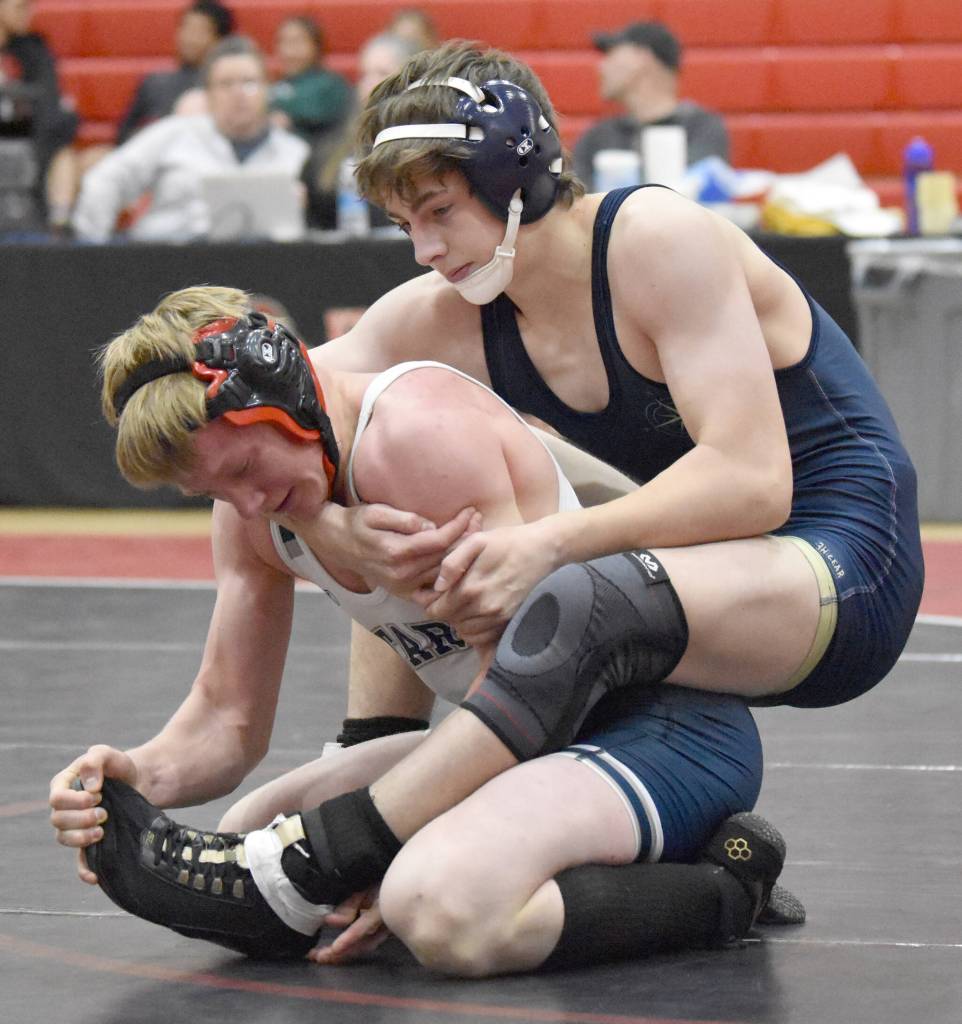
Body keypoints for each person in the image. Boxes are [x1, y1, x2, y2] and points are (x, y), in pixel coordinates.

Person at [49, 285, 786, 975]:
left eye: (244, 466)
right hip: (515, 736)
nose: (248, 503)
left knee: (436, 908)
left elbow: (533, 705)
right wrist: (132, 778)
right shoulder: (259, 517)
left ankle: (728, 885)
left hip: (658, 728)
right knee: (250, 830)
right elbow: (227, 719)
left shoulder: (414, 435)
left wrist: (387, 843)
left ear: (277, 399)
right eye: (215, 491)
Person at [71, 36, 308, 243]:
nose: (238, 94)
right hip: (165, 266)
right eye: (226, 84)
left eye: (249, 83)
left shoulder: (295, 153)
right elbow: (104, 181)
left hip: (261, 277)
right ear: (208, 94)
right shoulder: (174, 134)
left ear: (267, 88)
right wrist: (93, 251)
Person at [572, 20, 729, 191]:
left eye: (610, 53)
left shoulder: (701, 128)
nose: (601, 67)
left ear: (641, 57)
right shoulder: (598, 136)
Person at [306, 31, 421, 231]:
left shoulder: (430, 146)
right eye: (364, 75)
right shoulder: (331, 149)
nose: (370, 85)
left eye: (382, 73)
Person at [0, 0, 80, 229]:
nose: (29, 13)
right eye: (20, 6)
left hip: (31, 144)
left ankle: (58, 231)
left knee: (64, 156)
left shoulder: (34, 50)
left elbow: (51, 109)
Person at [116, 0, 235, 146]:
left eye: (200, 31)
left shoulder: (229, 88)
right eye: (186, 28)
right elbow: (123, 134)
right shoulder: (154, 83)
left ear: (220, 40)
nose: (189, 38)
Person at [269, 15, 351, 146]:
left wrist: (286, 118)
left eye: (297, 41)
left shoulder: (331, 84)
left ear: (316, 45)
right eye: (283, 42)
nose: (289, 51)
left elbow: (317, 114)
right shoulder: (275, 86)